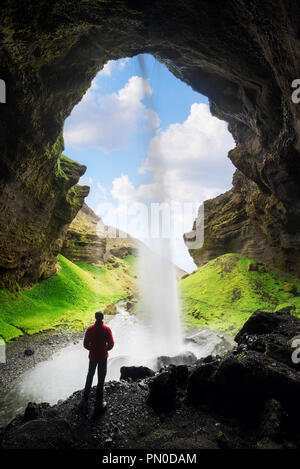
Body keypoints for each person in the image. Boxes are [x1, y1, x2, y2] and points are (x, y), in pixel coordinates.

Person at [82, 310, 114, 417]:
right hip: (103, 357)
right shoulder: (106, 329)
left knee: (90, 376)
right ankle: (99, 402)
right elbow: (111, 344)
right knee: (101, 379)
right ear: (103, 318)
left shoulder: (90, 329)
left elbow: (85, 344)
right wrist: (105, 349)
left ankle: (85, 399)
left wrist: (92, 349)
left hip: (93, 357)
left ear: (95, 318)